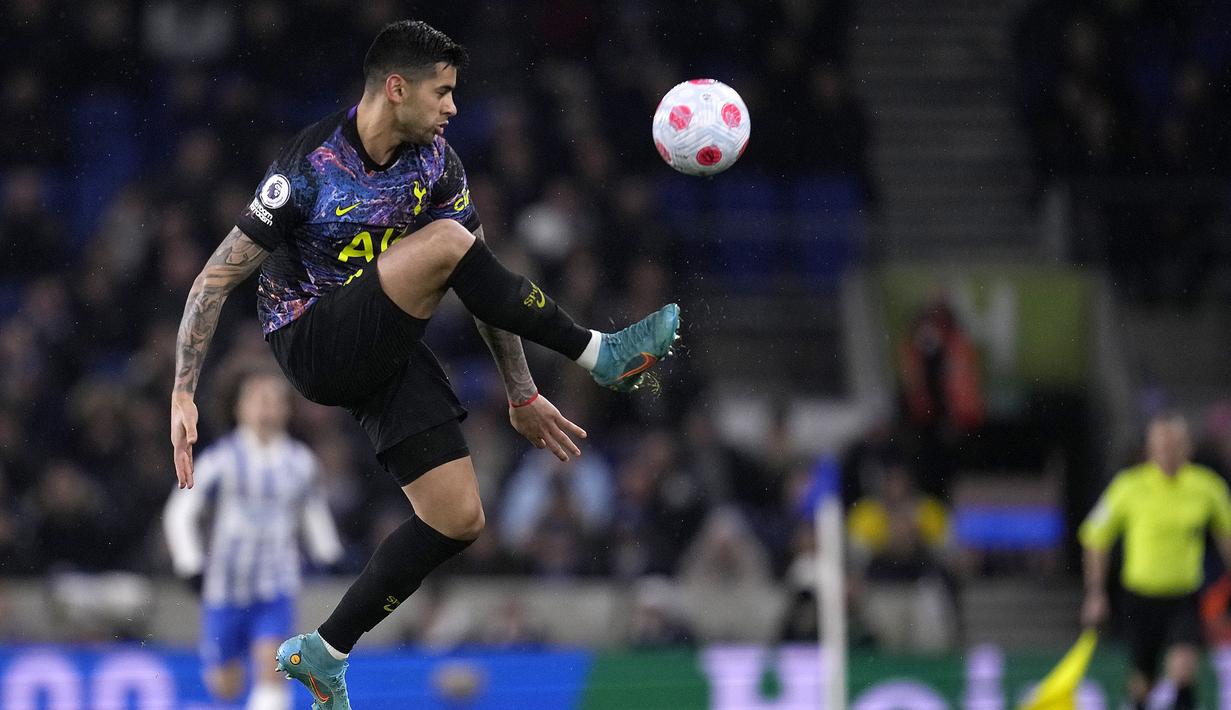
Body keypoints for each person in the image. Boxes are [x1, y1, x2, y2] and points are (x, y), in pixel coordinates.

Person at [168, 19, 680, 708]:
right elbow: (212, 280)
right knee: (444, 241)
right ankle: (600, 352)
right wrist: (183, 393)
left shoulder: (438, 166)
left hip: (381, 347)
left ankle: (325, 650)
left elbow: (480, 281)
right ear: (396, 88)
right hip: (311, 340)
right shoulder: (307, 167)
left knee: (458, 515)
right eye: (442, 93)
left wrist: (521, 393)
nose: (452, 108)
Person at [164, 367, 344, 710]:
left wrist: (329, 553)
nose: (265, 406)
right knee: (225, 686)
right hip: (224, 586)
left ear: (286, 409)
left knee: (272, 665)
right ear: (239, 407)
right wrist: (189, 563)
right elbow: (180, 512)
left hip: (275, 583)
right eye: (257, 398)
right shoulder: (221, 460)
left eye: (273, 399)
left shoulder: (300, 462)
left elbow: (313, 512)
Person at [1080, 412, 1231, 710]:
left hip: (1184, 596)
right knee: (1142, 682)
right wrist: (1095, 593)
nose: (1166, 454)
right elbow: (1095, 538)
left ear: (1186, 448)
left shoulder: (1207, 488)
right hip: (1140, 598)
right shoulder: (1128, 486)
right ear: (1150, 450)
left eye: (1173, 446)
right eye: (1160, 447)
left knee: (1183, 668)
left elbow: (1226, 534)